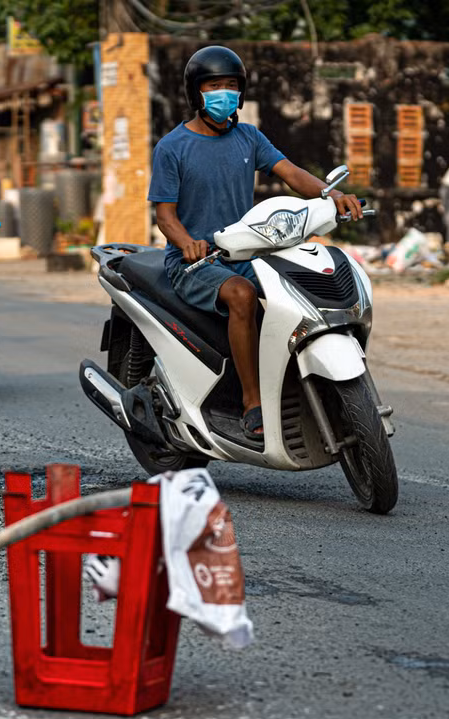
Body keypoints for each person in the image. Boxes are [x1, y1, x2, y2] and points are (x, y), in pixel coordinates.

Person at [148, 45, 362, 441]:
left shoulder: (248, 137)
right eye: (214, 86)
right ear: (197, 93)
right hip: (194, 262)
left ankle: (310, 384)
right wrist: (188, 243)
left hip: (245, 251)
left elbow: (292, 174)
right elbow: (165, 217)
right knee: (243, 296)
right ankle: (251, 403)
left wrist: (330, 196)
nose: (223, 93)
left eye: (231, 85)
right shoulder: (172, 147)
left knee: (302, 286)